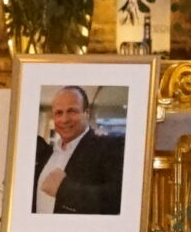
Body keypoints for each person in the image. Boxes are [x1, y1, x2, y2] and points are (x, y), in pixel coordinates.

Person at [30, 86, 126, 216]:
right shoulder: (46, 153)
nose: (64, 119)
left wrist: (64, 189)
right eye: (59, 113)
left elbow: (117, 199)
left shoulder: (110, 147)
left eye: (72, 111)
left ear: (87, 113)